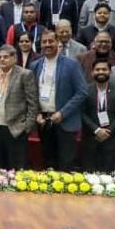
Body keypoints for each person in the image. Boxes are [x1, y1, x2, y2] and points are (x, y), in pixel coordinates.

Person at [29, 30, 87, 171]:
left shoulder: (71, 64)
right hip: (44, 121)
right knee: (48, 163)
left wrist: (62, 113)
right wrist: (37, 113)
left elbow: (82, 92)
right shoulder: (35, 65)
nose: (47, 44)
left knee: (65, 164)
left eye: (51, 41)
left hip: (64, 121)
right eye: (44, 42)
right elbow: (32, 93)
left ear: (58, 43)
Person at [0, 45, 40, 169]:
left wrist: (27, 126)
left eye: (5, 57)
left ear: (14, 58)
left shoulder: (25, 74)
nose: (2, 60)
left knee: (16, 167)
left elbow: (32, 102)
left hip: (16, 128)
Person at [82, 60, 115, 173]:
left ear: (110, 72)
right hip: (91, 138)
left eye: (104, 69)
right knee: (90, 174)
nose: (101, 72)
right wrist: (97, 130)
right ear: (92, 72)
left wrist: (108, 131)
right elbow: (82, 113)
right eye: (97, 70)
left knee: (110, 175)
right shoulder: (85, 90)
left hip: (112, 139)